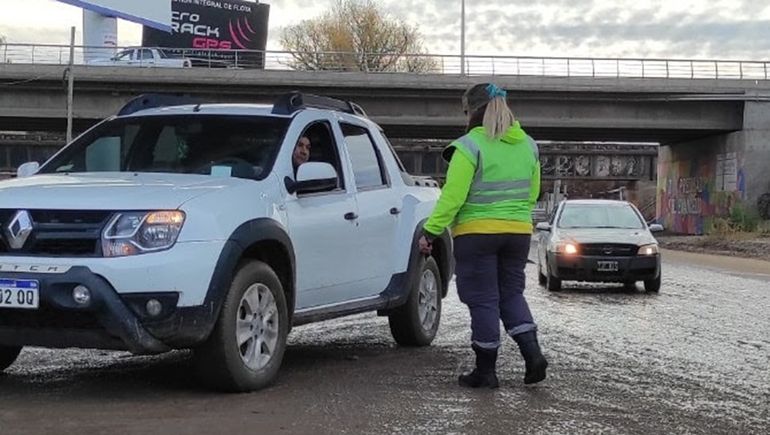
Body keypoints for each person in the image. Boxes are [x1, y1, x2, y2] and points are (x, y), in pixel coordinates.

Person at [419, 83, 548, 388]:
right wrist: (512, 217)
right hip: (517, 233)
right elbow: (533, 194)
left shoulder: (470, 146)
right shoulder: (528, 145)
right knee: (511, 294)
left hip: (476, 235)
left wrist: (430, 232)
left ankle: (486, 372)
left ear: (472, 111)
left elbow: (453, 197)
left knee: (483, 300)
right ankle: (533, 356)